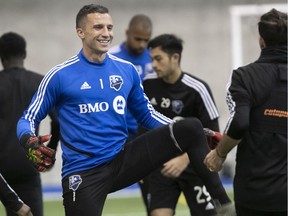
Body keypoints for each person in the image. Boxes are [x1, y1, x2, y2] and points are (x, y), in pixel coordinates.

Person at [16, 4, 232, 216]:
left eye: (109, 27)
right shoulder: (59, 76)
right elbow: (29, 117)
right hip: (84, 172)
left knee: (191, 127)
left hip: (124, 160)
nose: (106, 33)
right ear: (80, 32)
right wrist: (28, 141)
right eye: (98, 27)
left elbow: (147, 115)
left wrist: (200, 134)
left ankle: (224, 206)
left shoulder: (126, 70)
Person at [204, 8, 287, 216]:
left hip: (254, 193)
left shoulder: (244, 77)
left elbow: (240, 122)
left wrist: (219, 153)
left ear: (261, 40)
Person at [141, 33, 224, 216]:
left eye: (158, 59)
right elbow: (142, 128)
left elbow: (213, 136)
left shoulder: (197, 89)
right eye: (152, 59)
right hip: (161, 168)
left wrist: (184, 158)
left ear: (175, 58)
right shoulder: (147, 84)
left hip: (196, 167)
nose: (153, 64)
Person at [0, 32, 60, 216]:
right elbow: (58, 121)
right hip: (28, 163)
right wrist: (51, 149)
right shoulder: (40, 82)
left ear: (1, 56)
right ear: (25, 54)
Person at [109, 14, 154, 212]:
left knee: (151, 184)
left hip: (147, 131)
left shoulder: (154, 57)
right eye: (138, 38)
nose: (142, 44)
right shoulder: (111, 57)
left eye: (146, 39)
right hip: (120, 133)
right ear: (127, 33)